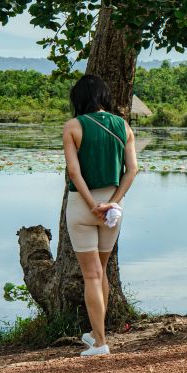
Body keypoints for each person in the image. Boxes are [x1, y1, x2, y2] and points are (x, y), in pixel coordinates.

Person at [62, 75, 138, 357]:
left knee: (91, 275)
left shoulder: (73, 126)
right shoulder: (124, 126)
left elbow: (73, 172)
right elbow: (132, 170)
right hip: (113, 209)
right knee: (101, 271)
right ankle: (96, 332)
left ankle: (100, 343)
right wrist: (111, 203)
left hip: (84, 206)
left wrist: (93, 203)